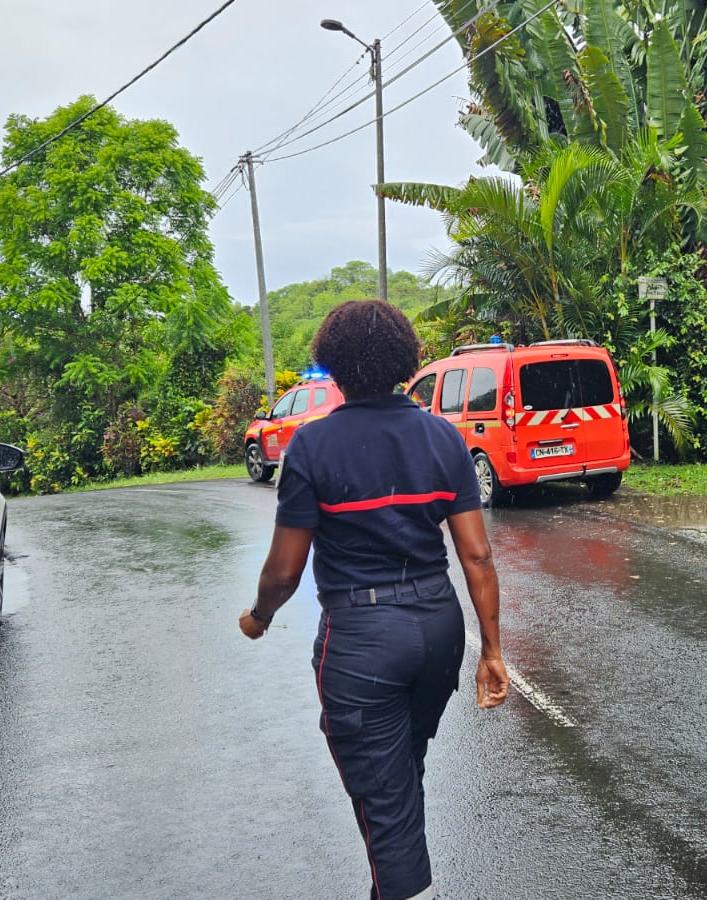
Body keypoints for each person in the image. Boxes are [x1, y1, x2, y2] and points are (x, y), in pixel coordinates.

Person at [239, 300, 509, 900]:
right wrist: (491, 651)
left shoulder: (312, 446)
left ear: (332, 366)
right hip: (438, 632)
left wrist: (259, 618)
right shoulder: (442, 436)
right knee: (400, 772)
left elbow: (284, 571)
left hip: (362, 644)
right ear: (404, 360)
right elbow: (477, 557)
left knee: (386, 804)